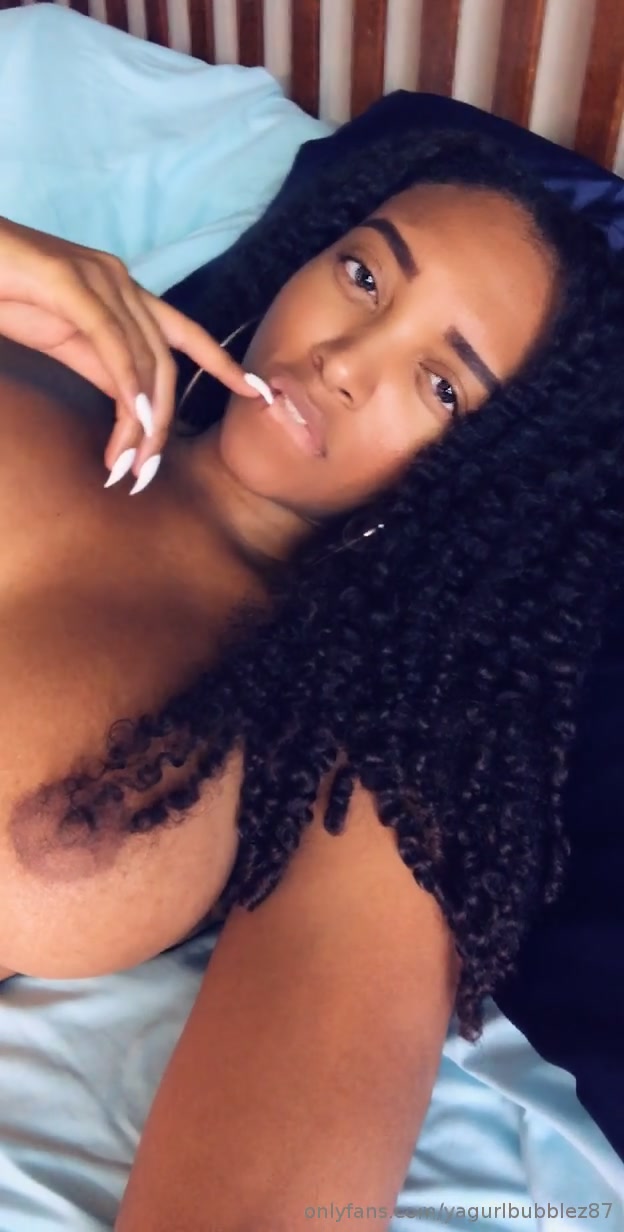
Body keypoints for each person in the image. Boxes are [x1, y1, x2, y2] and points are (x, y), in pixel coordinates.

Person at [0, 129, 622, 1229]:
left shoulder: (363, 762)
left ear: (483, 485)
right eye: (366, 274)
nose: (345, 356)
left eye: (441, 383)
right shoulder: (39, 355)